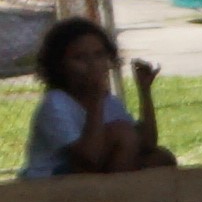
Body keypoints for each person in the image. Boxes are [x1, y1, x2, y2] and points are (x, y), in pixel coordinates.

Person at [23, 16, 179, 177]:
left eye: (99, 55)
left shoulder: (109, 102)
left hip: (90, 174)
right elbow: (89, 158)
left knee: (161, 158)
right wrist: (95, 101)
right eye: (79, 58)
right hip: (51, 179)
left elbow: (147, 144)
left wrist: (144, 91)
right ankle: (114, 199)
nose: (92, 65)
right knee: (123, 134)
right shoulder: (56, 103)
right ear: (59, 65)